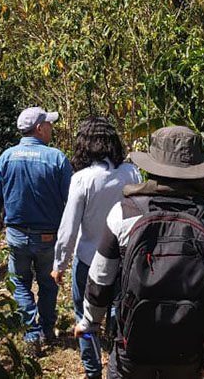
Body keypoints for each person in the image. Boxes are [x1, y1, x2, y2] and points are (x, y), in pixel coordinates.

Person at [74, 126, 204, 379]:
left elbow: (100, 279)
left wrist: (89, 323)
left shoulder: (124, 213)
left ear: (152, 167)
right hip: (188, 351)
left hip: (133, 349)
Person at [52, 116, 142, 379]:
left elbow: (69, 227)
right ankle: (117, 363)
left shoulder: (82, 179)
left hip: (89, 259)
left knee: (84, 317)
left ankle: (93, 371)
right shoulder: (131, 173)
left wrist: (59, 264)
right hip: (123, 259)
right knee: (119, 313)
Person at [0, 106, 72, 351]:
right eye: (49, 124)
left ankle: (31, 334)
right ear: (39, 128)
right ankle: (46, 330)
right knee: (48, 284)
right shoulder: (57, 158)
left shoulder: (7, 156)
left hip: (16, 235)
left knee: (21, 283)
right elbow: (71, 199)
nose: (52, 128)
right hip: (48, 237)